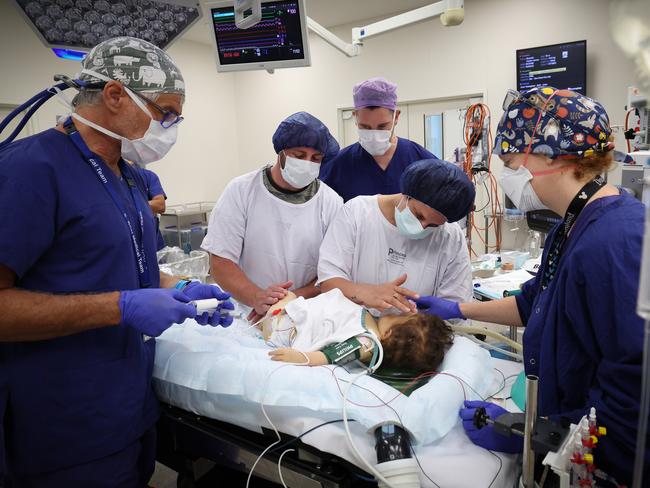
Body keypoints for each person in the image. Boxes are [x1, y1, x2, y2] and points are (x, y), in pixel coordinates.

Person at [0, 37, 233, 488]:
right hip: (61, 428)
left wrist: (178, 290)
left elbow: (121, 269)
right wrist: (121, 307)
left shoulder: (126, 176)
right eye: (165, 114)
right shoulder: (30, 171)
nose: (170, 128)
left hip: (127, 410)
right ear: (114, 95)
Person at [416, 87, 649, 485]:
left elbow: (634, 384)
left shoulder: (617, 239)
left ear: (550, 156)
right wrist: (457, 309)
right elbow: (532, 304)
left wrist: (550, 440)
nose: (506, 175)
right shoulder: (571, 225)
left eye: (508, 161)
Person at [203, 112, 343, 320]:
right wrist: (257, 297)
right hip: (249, 312)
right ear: (281, 152)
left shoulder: (331, 202)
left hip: (308, 312)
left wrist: (291, 299)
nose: (307, 162)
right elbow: (221, 261)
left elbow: (334, 270)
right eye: (299, 154)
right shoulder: (242, 191)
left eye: (316, 158)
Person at [318, 158, 475, 315]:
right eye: (419, 215)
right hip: (356, 330)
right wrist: (366, 292)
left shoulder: (450, 236)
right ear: (407, 194)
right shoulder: (357, 213)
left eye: (433, 225)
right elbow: (329, 282)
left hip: (416, 334)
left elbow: (454, 304)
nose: (421, 228)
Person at [262, 288, 453, 371]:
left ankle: (276, 312)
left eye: (400, 317)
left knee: (287, 296)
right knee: (289, 297)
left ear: (389, 334)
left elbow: (331, 355)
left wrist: (301, 358)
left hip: (285, 328)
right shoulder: (374, 326)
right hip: (295, 317)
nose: (397, 312)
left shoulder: (369, 343)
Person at [320, 77, 437, 202]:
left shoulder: (421, 160)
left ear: (396, 117)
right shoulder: (340, 164)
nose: (374, 134)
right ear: (355, 117)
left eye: (382, 126)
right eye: (365, 127)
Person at [139, 165, 167, 250]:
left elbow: (160, 205)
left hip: (152, 238)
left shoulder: (147, 176)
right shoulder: (110, 180)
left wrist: (131, 205)